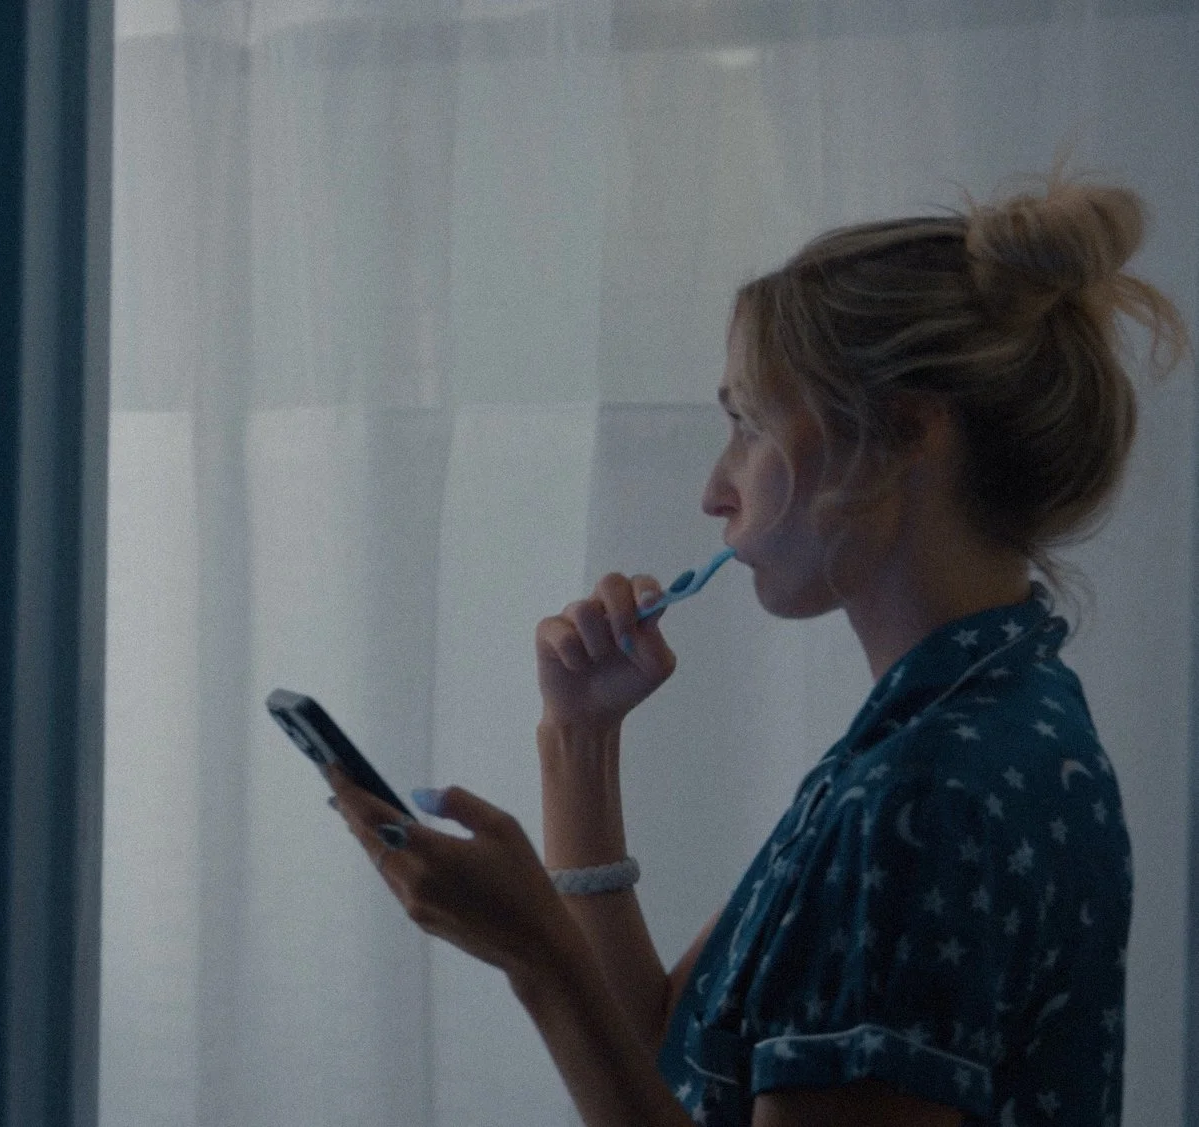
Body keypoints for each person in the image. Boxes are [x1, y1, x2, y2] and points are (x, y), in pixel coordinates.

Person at [324, 180, 1186, 1126]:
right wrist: (580, 738)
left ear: (903, 435)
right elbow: (664, 1052)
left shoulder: (922, 796)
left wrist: (538, 959)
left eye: (747, 423)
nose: (714, 490)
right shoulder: (981, 717)